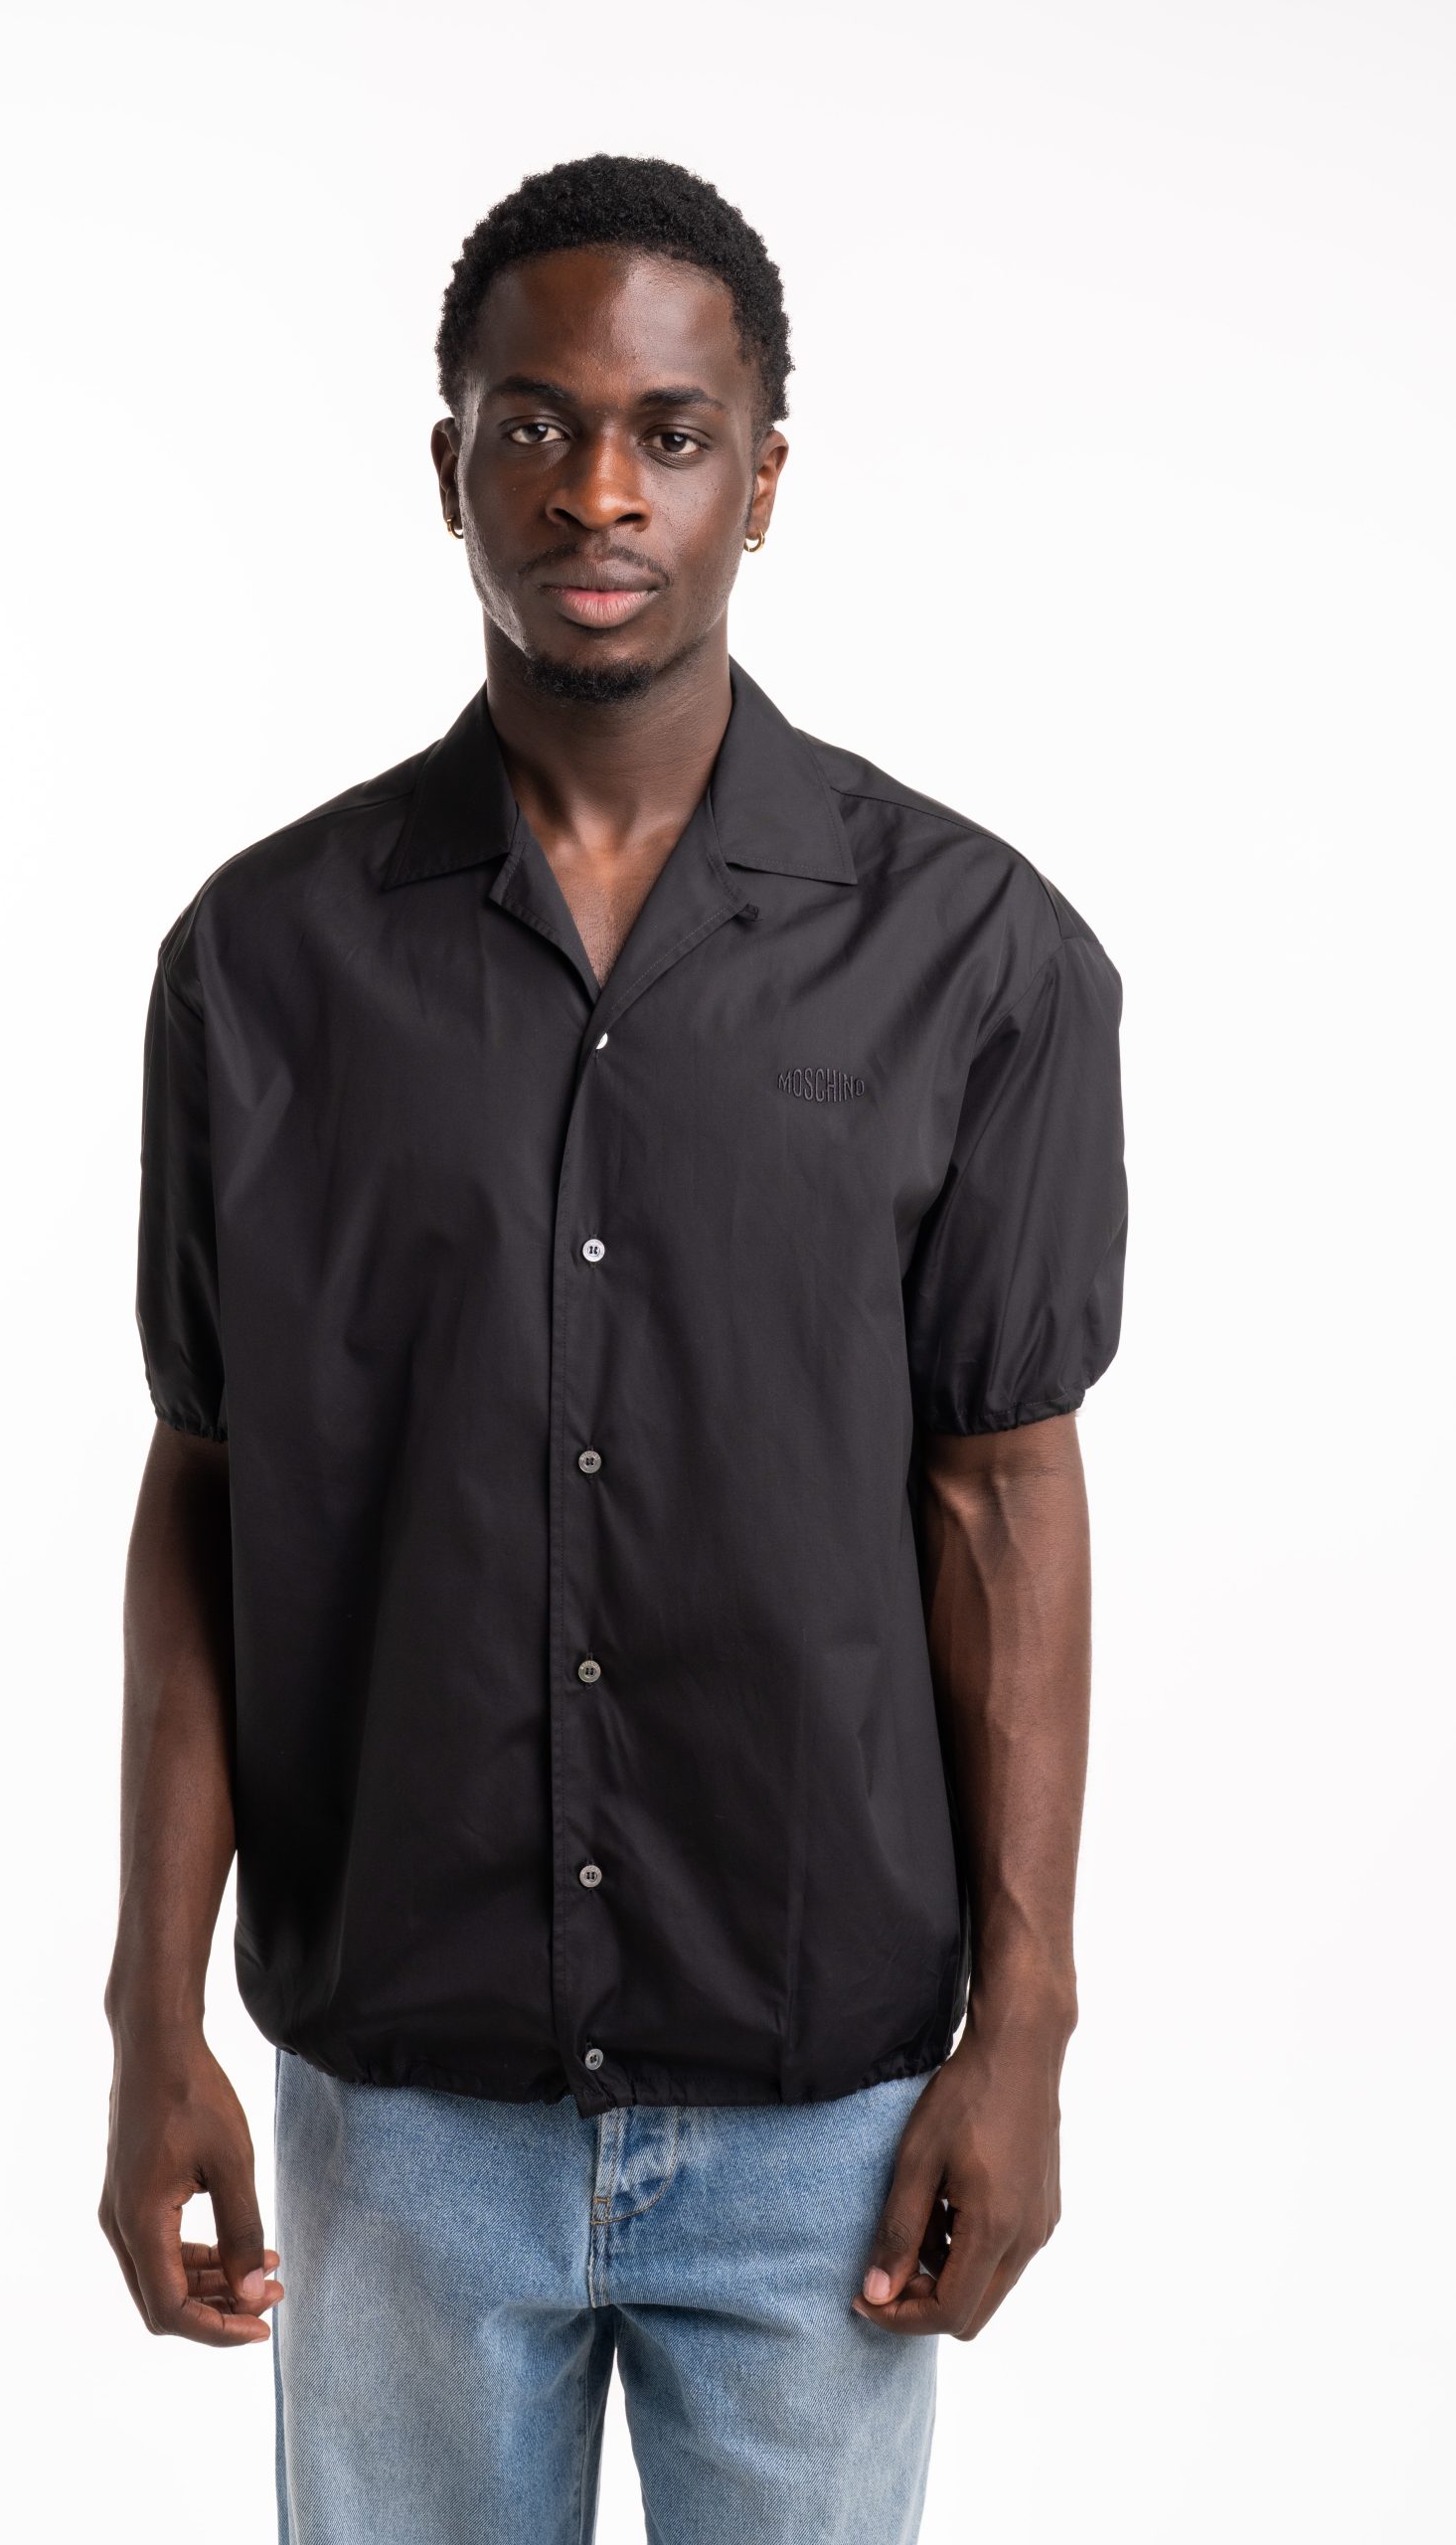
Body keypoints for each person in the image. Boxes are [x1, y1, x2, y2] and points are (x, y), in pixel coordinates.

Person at [99, 153, 1128, 2545]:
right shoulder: (260, 965)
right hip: (403, 2116)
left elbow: (1002, 1493)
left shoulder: (974, 958)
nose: (596, 489)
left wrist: (1026, 2025)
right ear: (445, 463)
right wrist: (152, 2009)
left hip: (821, 2111)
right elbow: (208, 1489)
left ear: (759, 476)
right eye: (533, 424)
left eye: (667, 431)